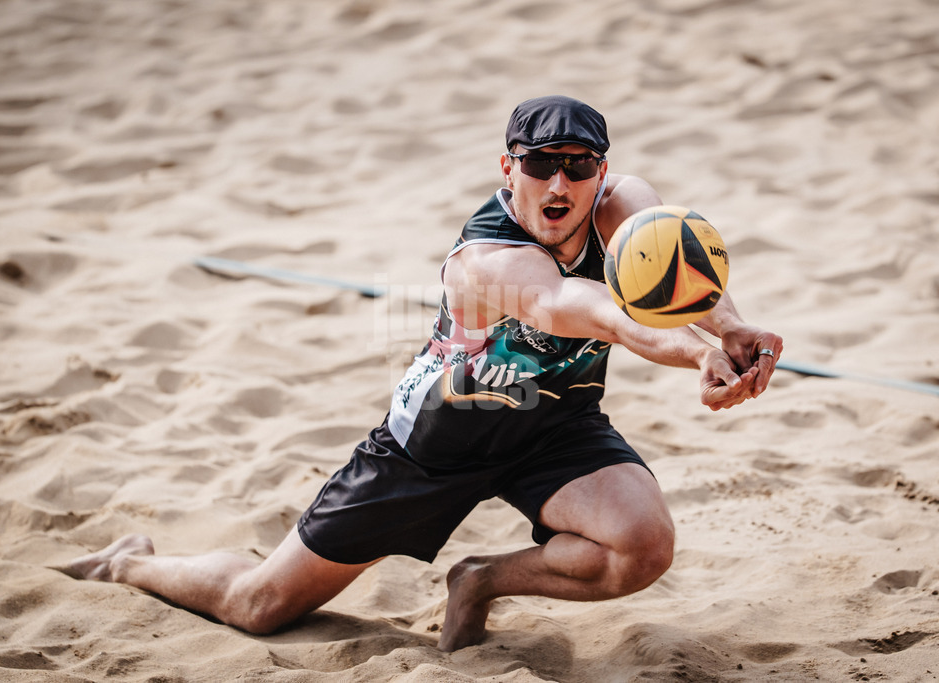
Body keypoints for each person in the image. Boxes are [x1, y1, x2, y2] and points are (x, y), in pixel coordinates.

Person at [61, 95, 784, 652]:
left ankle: (480, 579)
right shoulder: (488, 259)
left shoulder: (624, 206)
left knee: (643, 544)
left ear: (602, 169)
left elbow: (678, 272)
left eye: (578, 164)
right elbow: (593, 307)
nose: (559, 181)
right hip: (434, 445)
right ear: (509, 169)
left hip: (555, 427)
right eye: (539, 164)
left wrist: (733, 327)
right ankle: (131, 562)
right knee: (260, 605)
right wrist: (696, 352)